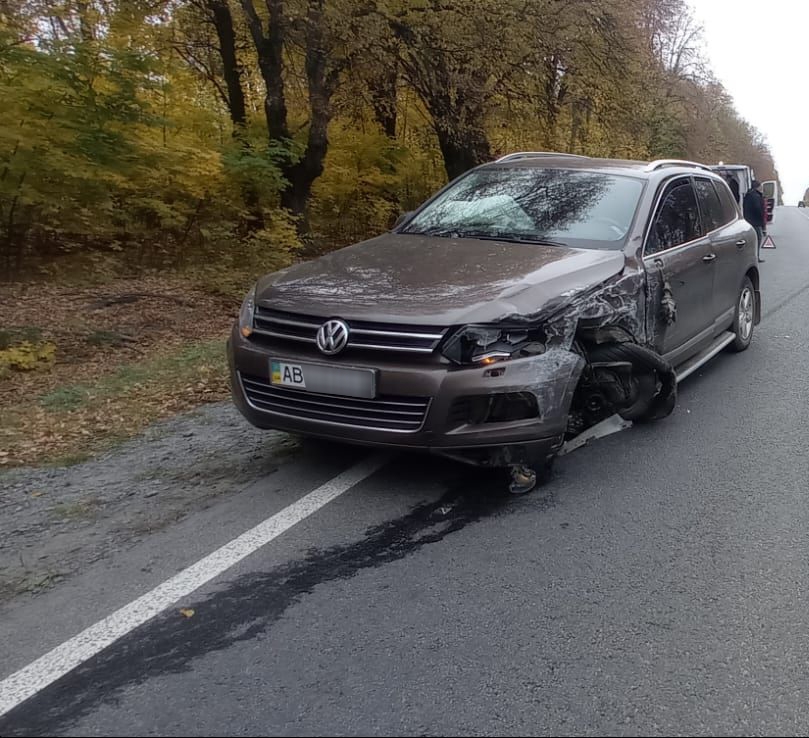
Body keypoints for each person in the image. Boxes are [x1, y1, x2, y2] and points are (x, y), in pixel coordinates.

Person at [743, 179, 766, 263]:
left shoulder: (748, 195)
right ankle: (756, 257)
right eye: (761, 187)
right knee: (758, 239)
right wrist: (761, 218)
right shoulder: (756, 196)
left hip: (748, 220)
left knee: (750, 240)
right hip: (755, 221)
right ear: (757, 187)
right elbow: (758, 208)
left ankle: (750, 257)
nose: (762, 188)